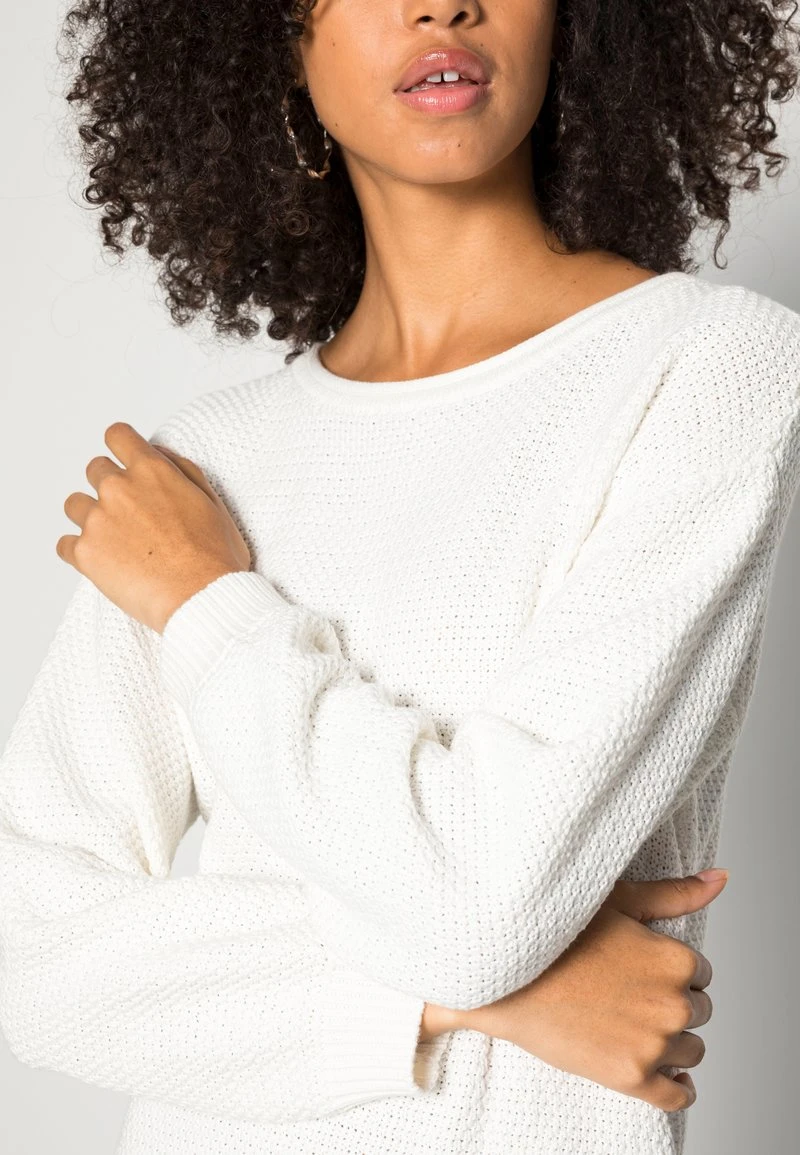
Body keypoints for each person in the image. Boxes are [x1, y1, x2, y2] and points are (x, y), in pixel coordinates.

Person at [2, 1, 800, 1153]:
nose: (440, 4)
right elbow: (29, 949)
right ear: (273, 37)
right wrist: (478, 1003)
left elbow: (480, 904)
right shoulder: (205, 467)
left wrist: (210, 608)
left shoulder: (705, 369)